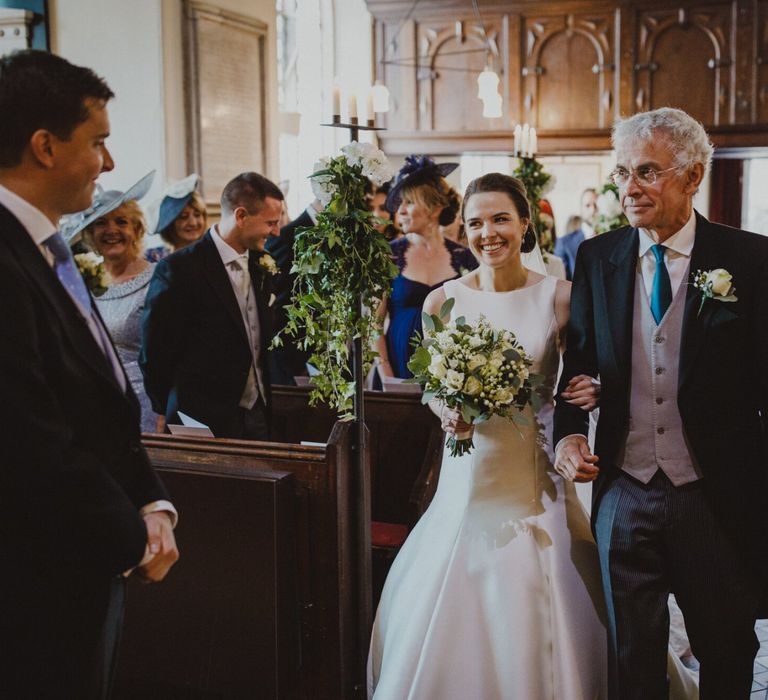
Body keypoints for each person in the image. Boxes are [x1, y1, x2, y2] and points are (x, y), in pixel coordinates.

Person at [554, 107, 768, 699]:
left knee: (726, 645)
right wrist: (570, 433)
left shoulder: (750, 261)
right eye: (622, 172)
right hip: (623, 488)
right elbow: (580, 365)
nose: (629, 187)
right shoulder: (598, 258)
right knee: (631, 654)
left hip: (715, 492)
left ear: (692, 176)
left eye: (647, 171)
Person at [368, 172, 607, 698]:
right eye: (475, 223)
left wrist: (593, 389)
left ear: (526, 224)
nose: (488, 233)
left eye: (501, 219)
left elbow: (584, 373)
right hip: (465, 475)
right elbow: (432, 387)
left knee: (537, 586)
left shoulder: (562, 298)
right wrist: (446, 409)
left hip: (533, 476)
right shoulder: (440, 302)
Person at [0, 49, 178, 699]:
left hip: (80, 559)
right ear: (45, 146)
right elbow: (26, 433)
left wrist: (152, 500)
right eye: (98, 142)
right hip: (32, 577)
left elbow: (98, 394)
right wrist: (130, 533)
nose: (108, 163)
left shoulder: (46, 248)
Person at [141, 171, 283, 440]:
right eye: (271, 223)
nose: (276, 231)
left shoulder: (262, 264)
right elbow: (155, 352)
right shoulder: (179, 269)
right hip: (200, 418)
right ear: (241, 216)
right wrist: (164, 408)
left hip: (258, 413)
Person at [375, 155, 477, 381]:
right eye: (399, 203)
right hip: (397, 367)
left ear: (435, 207)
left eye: (408, 202)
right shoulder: (388, 256)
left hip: (450, 371)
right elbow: (374, 325)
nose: (399, 210)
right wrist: (386, 376)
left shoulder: (465, 259)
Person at [74, 172, 158, 432]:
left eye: (121, 222)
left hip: (145, 405)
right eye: (101, 223)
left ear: (136, 229)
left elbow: (173, 353)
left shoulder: (159, 278)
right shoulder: (84, 280)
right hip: (95, 402)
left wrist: (165, 410)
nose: (111, 231)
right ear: (90, 233)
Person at [265, 199, 320, 384]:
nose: (275, 228)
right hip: (297, 365)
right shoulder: (287, 240)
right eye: (271, 221)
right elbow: (281, 308)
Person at [144, 174, 207, 261]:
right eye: (184, 217)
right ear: (170, 224)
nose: (193, 223)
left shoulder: (214, 255)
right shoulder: (152, 257)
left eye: (197, 215)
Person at [555, 187, 598, 280]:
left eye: (596, 204)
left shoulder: (613, 237)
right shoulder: (564, 243)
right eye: (588, 205)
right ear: (581, 209)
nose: (593, 210)